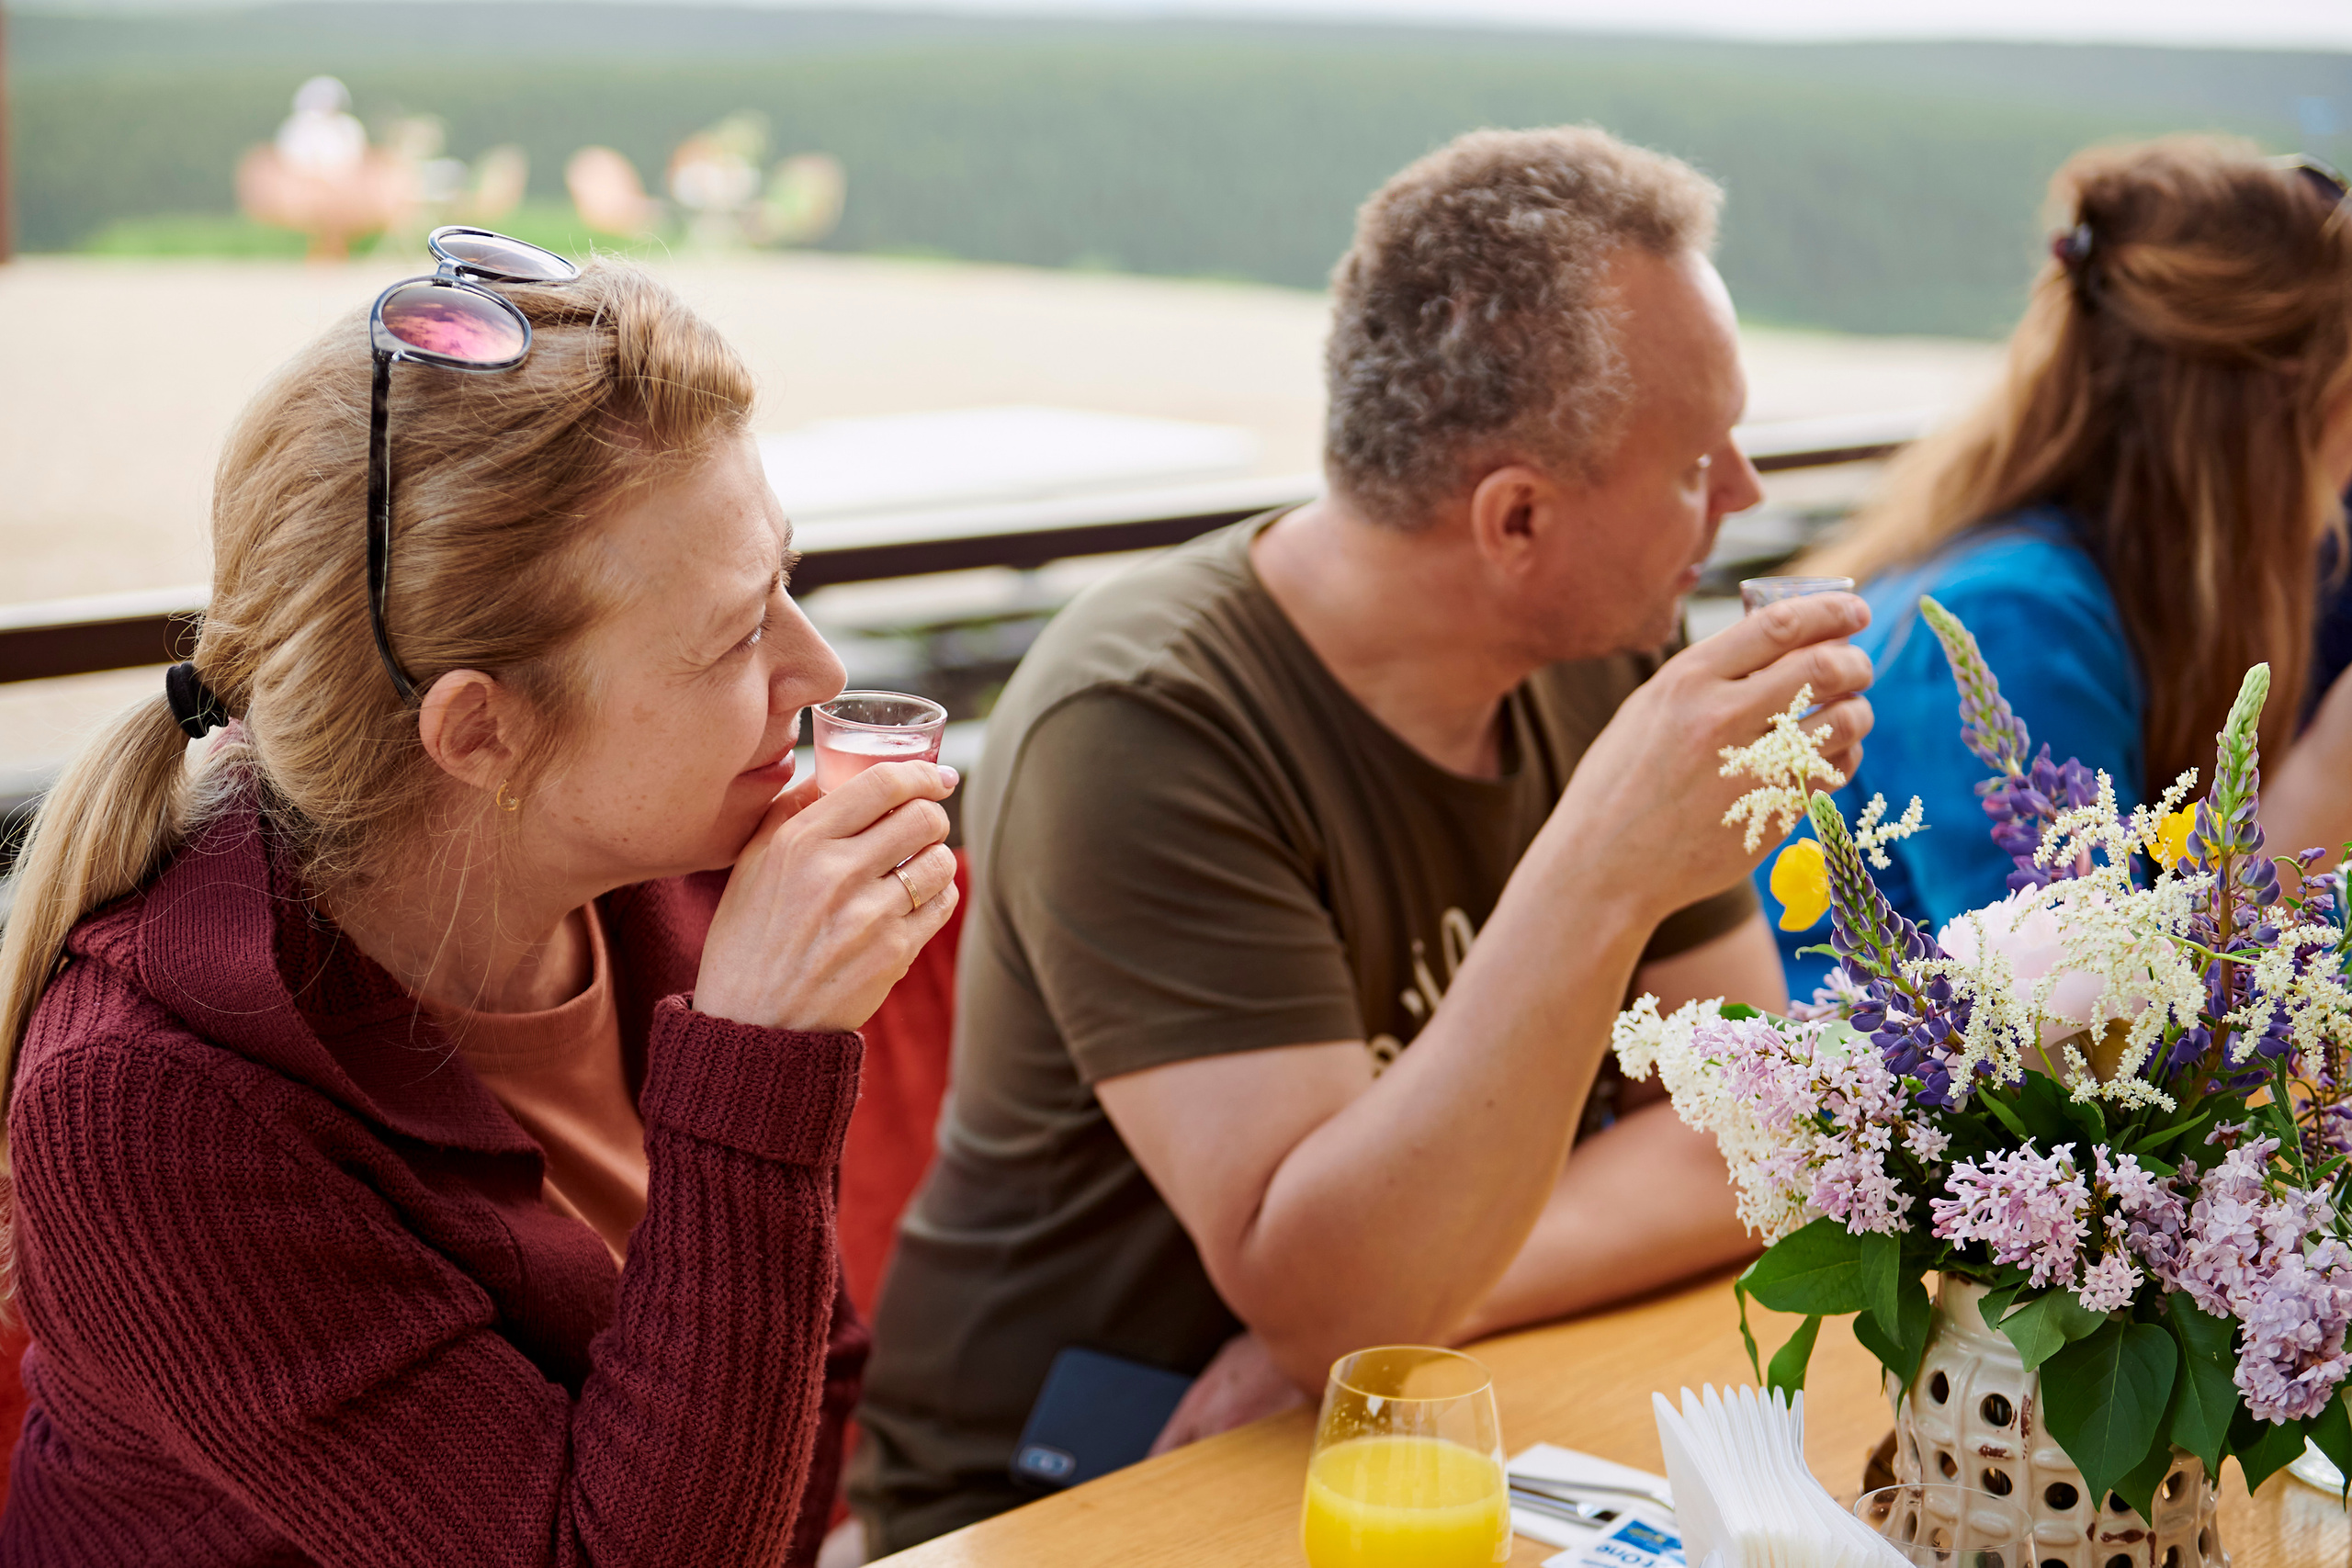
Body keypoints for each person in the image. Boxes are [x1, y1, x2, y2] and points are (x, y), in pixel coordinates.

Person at [852, 126, 1877, 1552]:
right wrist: (1605, 858)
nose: (1747, 496)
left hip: (1398, 1422)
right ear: (1516, 517)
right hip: (1075, 1483)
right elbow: (1337, 1289)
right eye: (1701, 459)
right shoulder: (1142, 721)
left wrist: (1398, 1307)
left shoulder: (1597, 652)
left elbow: (1749, 1137)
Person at [0, 252, 960, 1565]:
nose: (820, 667)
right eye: (738, 634)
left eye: (790, 582)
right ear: (480, 731)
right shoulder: (149, 1105)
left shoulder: (666, 872)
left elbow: (808, 1382)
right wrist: (759, 1062)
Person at [1759, 138, 2352, 992]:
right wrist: (2334, 769)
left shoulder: (2083, 585)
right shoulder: (2013, 624)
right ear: (2281, 417)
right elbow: (2082, 1037)